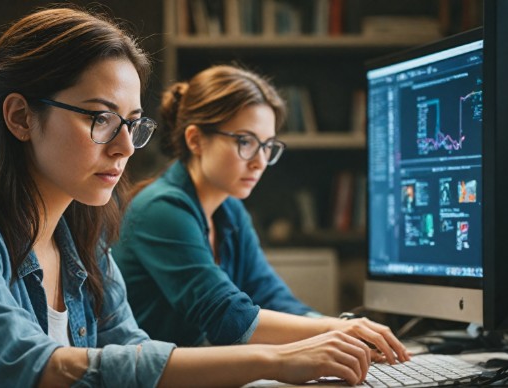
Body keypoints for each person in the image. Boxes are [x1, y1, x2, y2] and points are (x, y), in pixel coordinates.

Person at [0, 7, 391, 388]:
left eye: (132, 125)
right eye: (99, 118)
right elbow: (36, 369)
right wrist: (272, 361)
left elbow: (133, 349)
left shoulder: (84, 242)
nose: (123, 147)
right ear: (21, 117)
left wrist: (314, 348)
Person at [113, 64, 411, 359]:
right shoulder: (161, 209)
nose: (259, 162)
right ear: (196, 139)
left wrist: (347, 332)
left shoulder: (229, 209)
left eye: (267, 146)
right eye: (245, 141)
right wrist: (338, 330)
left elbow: (271, 296)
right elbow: (226, 317)